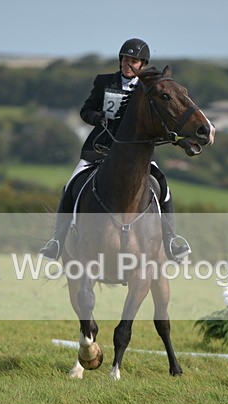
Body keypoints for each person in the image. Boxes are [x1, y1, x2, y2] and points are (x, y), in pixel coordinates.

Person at [39, 37, 191, 261]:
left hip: (137, 153)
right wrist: (96, 116)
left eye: (134, 61)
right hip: (100, 146)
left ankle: (171, 241)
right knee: (72, 184)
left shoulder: (147, 89)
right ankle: (56, 241)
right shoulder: (104, 81)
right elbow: (85, 110)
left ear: (143, 65)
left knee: (163, 187)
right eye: (125, 59)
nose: (128, 64)